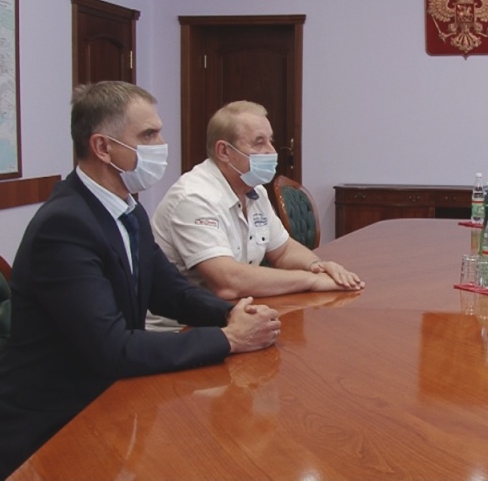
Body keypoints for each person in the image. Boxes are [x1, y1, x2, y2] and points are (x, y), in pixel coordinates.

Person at [0, 82, 281, 481]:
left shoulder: (127, 209)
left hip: (103, 405)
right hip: (42, 435)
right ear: (103, 147)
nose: (161, 145)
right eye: (148, 135)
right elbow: (112, 348)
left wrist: (231, 313)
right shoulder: (65, 226)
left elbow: (169, 291)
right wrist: (229, 339)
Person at [149, 101, 363, 330]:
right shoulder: (194, 197)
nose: (272, 151)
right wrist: (311, 280)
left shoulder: (254, 190)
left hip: (232, 317)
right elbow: (228, 282)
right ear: (224, 151)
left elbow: (283, 250)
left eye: (270, 140)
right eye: (259, 142)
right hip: (181, 332)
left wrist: (318, 266)